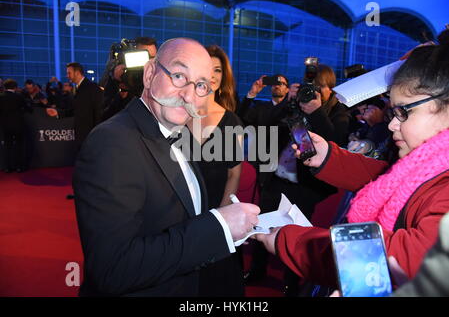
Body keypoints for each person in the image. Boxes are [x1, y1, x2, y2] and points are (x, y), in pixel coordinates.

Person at [254, 37, 449, 292]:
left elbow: (385, 260)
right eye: (392, 113)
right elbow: (386, 178)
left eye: (404, 112)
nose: (391, 125)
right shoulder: (428, 167)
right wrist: (328, 157)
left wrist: (290, 239)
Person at [73, 37, 260, 296]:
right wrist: (218, 227)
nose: (189, 95)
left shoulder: (178, 130)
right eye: (179, 76)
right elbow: (113, 268)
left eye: (201, 85)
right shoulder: (111, 142)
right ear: (150, 74)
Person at [239, 66, 349, 296]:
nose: (313, 93)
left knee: (297, 234)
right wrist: (290, 104)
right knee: (263, 224)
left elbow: (335, 142)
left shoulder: (337, 112)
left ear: (330, 89)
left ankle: (292, 284)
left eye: (320, 88)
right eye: (311, 88)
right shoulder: (296, 106)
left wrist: (316, 112)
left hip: (304, 187)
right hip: (277, 177)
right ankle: (258, 270)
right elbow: (268, 127)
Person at [186, 44, 245, 296]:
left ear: (222, 78)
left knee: (213, 282)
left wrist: (220, 216)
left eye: (217, 70)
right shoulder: (177, 115)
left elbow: (234, 174)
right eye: (207, 68)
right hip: (178, 210)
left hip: (214, 208)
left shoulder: (232, 121)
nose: (212, 74)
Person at [46, 62, 104, 151]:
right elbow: (75, 110)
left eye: (69, 73)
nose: (67, 75)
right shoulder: (79, 88)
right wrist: (57, 113)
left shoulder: (92, 87)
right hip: (82, 134)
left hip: (90, 134)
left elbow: (98, 111)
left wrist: (96, 133)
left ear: (77, 73)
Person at [0, 79, 27, 172]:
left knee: (7, 146)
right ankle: (19, 167)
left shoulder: (1, 97)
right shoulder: (19, 97)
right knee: (19, 146)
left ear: (4, 87)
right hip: (18, 125)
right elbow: (28, 108)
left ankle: (7, 167)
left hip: (5, 125)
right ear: (15, 87)